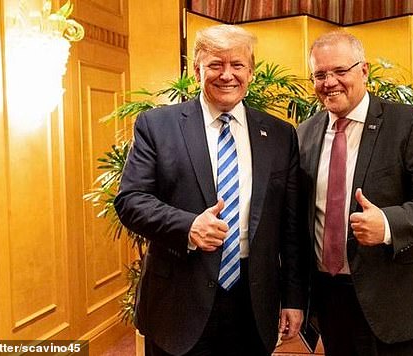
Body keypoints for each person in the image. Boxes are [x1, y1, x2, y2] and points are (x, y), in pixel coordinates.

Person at [114, 24, 306, 356]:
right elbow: (131, 201)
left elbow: (290, 227)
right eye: (216, 65)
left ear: (251, 71)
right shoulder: (157, 126)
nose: (227, 75)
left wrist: (293, 298)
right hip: (178, 301)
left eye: (237, 65)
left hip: (253, 301)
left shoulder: (279, 135)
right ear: (197, 68)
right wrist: (188, 226)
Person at [297, 31, 413, 356]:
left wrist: (387, 223)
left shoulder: (406, 122)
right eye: (320, 75)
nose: (330, 82)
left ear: (364, 70)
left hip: (395, 296)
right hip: (330, 297)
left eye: (340, 71)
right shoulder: (304, 133)